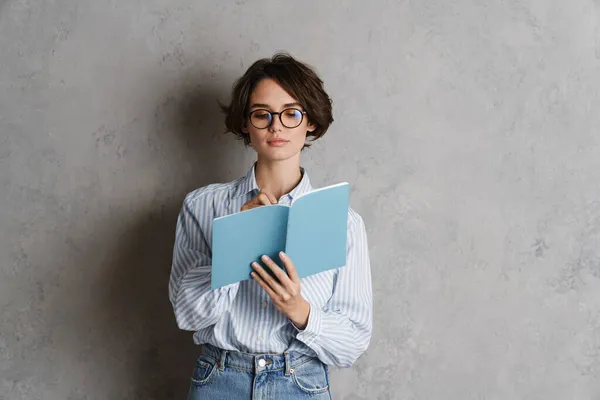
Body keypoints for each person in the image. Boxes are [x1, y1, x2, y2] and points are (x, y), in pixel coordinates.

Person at [168, 52, 372, 399]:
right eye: (262, 114)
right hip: (220, 381)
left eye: (291, 113)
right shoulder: (202, 206)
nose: (276, 126)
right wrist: (237, 244)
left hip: (300, 382)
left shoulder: (343, 222)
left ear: (310, 122)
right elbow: (187, 314)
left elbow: (352, 344)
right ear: (246, 123)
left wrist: (300, 310)